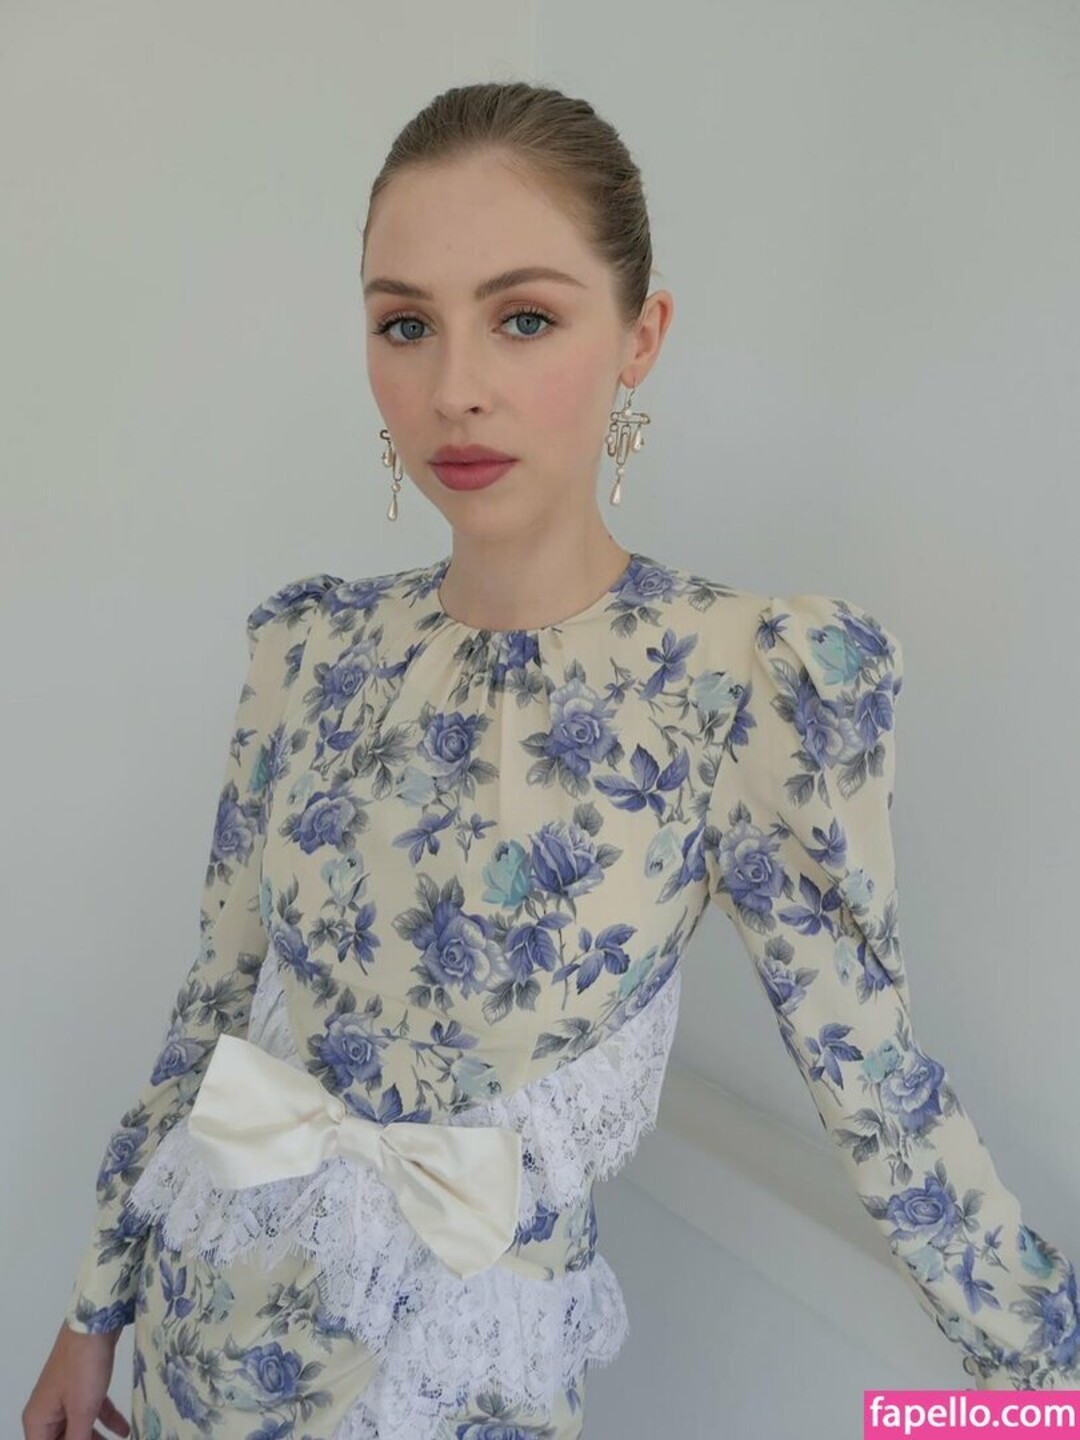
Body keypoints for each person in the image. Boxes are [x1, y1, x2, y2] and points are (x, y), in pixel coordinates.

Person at [24, 79, 1080, 1440]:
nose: (454, 388)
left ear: (641, 337)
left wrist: (1047, 1393)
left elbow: (882, 1097)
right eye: (406, 324)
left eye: (523, 318)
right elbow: (212, 1010)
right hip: (200, 1351)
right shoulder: (309, 650)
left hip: (469, 1387)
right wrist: (90, 1312)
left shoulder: (741, 683)